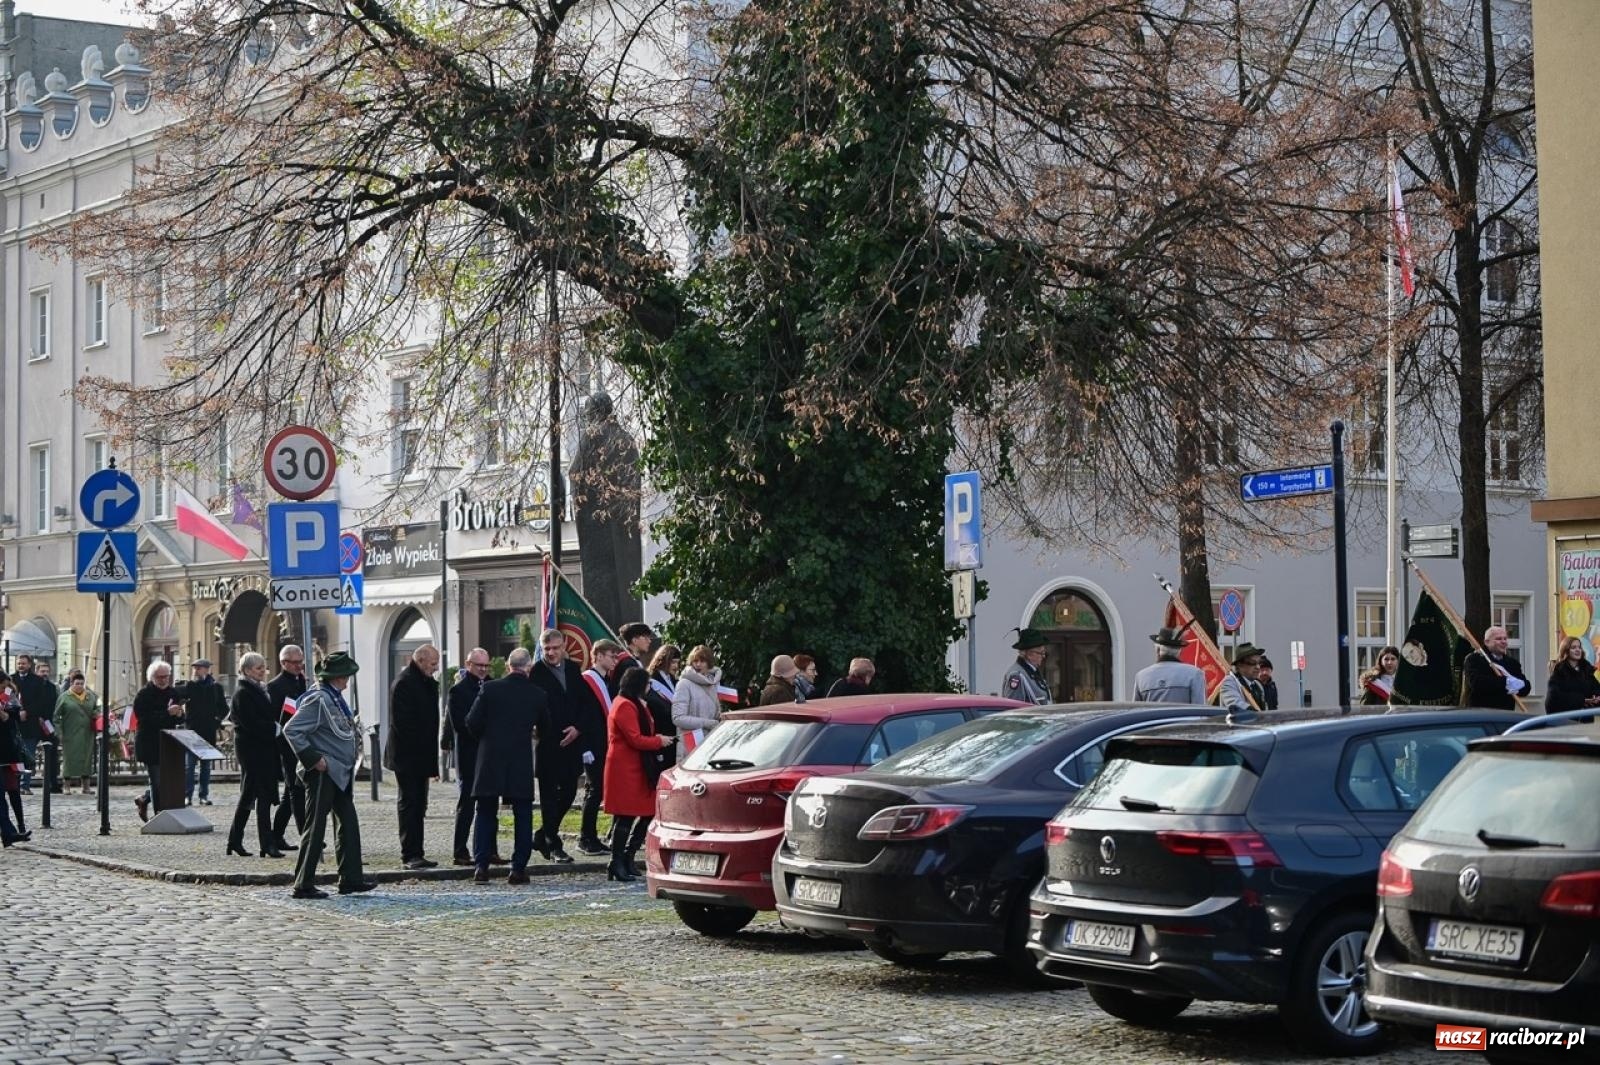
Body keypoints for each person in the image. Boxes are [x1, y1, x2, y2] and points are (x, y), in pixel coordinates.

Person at [284, 652, 375, 900]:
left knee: (348, 824)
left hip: (339, 772)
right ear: (338, 677)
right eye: (346, 675)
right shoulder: (319, 699)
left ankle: (351, 879)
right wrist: (314, 759)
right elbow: (292, 729)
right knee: (315, 827)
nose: (348, 680)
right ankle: (303, 884)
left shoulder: (333, 697)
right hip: (323, 772)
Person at [466, 647, 546, 885]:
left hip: (490, 757)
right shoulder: (537, 694)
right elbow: (547, 727)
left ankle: (481, 867)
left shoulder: (490, 689)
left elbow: (471, 722)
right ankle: (518, 869)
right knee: (523, 814)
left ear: (509, 666)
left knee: (485, 812)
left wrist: (486, 738)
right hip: (519, 759)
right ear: (528, 668)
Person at [529, 629, 606, 863]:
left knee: (570, 792)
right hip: (549, 744)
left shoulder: (572, 669)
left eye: (555, 648)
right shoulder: (537, 672)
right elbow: (536, 709)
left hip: (572, 743)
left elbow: (586, 704)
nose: (551, 653)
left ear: (563, 647)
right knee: (549, 797)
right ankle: (554, 844)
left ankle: (542, 835)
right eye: (547, 649)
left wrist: (577, 728)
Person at [603, 667, 672, 881]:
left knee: (647, 811)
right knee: (625, 815)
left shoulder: (634, 703)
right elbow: (635, 739)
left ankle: (628, 856)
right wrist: (658, 741)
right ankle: (616, 861)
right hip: (625, 767)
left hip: (637, 766)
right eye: (647, 683)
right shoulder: (625, 705)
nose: (649, 687)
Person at [384, 644, 441, 870]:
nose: (436, 668)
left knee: (419, 804)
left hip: (421, 755)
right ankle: (409, 854)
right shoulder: (405, 683)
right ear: (421, 660)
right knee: (409, 803)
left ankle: (417, 852)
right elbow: (403, 724)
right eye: (433, 663)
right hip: (407, 756)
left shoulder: (424, 681)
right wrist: (422, 755)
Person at [226, 652, 283, 858]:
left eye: (263, 667)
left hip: (262, 748)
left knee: (251, 794)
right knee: (261, 795)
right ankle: (266, 844)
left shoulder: (258, 689)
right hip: (252, 750)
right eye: (259, 668)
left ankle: (235, 840)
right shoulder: (243, 692)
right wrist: (273, 728)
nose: (263, 671)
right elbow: (250, 722)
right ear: (247, 670)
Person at [448, 647, 501, 867]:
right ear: (468, 664)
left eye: (486, 665)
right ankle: (460, 851)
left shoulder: (493, 686)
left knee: (490, 805)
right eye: (479, 665)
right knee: (467, 805)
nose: (483, 669)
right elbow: (460, 725)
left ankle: (490, 850)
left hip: (490, 755)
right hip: (470, 754)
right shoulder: (458, 691)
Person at [577, 639, 621, 856]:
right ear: (599, 655)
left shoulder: (607, 681)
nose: (615, 660)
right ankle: (585, 838)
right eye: (612, 656)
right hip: (592, 745)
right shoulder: (587, 680)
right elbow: (582, 715)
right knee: (593, 791)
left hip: (604, 743)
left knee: (599, 791)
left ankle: (592, 837)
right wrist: (584, 747)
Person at [132, 661, 185, 822]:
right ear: (152, 677)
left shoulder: (173, 693)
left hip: (168, 742)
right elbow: (144, 719)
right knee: (156, 780)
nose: (163, 680)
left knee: (166, 781)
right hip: (150, 743)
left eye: (166, 676)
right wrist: (167, 713)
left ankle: (144, 799)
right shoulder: (143, 695)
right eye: (160, 677)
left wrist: (179, 715)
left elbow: (179, 718)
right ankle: (159, 816)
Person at [268, 645, 310, 851]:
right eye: (294, 662)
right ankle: (307, 836)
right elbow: (275, 717)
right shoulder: (275, 686)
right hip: (286, 744)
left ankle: (276, 836)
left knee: (290, 793)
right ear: (283, 663)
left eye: (300, 662)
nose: (298, 666)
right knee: (296, 790)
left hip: (302, 740)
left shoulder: (302, 681)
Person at [183, 659, 228, 806]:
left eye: (199, 668)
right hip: (192, 731)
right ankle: (187, 795)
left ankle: (203, 795)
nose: (195, 671)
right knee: (189, 766)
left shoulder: (216, 688)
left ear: (207, 670)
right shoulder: (189, 686)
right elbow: (179, 701)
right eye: (194, 668)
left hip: (208, 730)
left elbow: (224, 708)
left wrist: (216, 721)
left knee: (205, 766)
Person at [672, 645, 725, 760]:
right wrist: (708, 723)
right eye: (695, 661)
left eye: (702, 661)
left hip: (711, 743)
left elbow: (715, 715)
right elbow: (678, 718)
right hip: (691, 745)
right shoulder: (684, 684)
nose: (698, 664)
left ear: (709, 663)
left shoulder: (712, 683)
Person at [1133, 628, 1208, 704]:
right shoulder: (1195, 674)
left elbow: (1136, 710)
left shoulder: (1141, 676)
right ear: (1179, 651)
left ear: (1158, 650)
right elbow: (1199, 708)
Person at [1463, 626, 1529, 711]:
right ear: (1487, 642)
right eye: (1498, 639)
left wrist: (1522, 685)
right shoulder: (1474, 659)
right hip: (1481, 712)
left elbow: (1525, 689)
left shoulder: (1512, 663)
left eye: (1505, 639)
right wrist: (1505, 682)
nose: (1503, 642)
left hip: (1506, 713)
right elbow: (1476, 683)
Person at [54, 671, 97, 793]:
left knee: (87, 759)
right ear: (71, 683)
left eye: (82, 684)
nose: (79, 686)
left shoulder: (90, 696)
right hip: (70, 733)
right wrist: (59, 732)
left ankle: (86, 786)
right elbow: (56, 716)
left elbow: (96, 709)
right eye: (77, 683)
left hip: (87, 733)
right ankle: (66, 786)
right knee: (69, 759)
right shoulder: (64, 697)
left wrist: (97, 714)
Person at [0, 677, 29, 842]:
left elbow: (16, 718)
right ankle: (8, 833)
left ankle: (18, 828)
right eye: (3, 686)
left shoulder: (9, 696)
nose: (5, 688)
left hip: (10, 750)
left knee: (13, 790)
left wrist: (7, 714)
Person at [645, 644, 680, 771]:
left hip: (675, 736)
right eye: (673, 662)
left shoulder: (674, 681)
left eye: (677, 663)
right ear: (663, 660)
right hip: (662, 736)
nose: (676, 666)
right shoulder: (651, 682)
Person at [1545, 635, 1600, 716]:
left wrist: (1597, 698)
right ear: (1566, 650)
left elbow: (1596, 689)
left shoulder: (1586, 670)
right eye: (1573, 647)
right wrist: (1582, 700)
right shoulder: (1559, 671)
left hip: (1586, 719)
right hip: (1565, 719)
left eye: (1579, 647)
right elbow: (1552, 699)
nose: (1578, 650)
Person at [1002, 631, 1051, 705]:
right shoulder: (1017, 675)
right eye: (1041, 653)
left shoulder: (1033, 672)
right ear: (1029, 654)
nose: (1043, 656)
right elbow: (1014, 707)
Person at [1216, 644, 1267, 713]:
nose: (1258, 667)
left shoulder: (1258, 685)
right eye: (1252, 663)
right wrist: (1253, 711)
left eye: (1259, 663)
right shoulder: (1229, 682)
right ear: (1240, 665)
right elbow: (1235, 705)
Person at [611, 622, 655, 690]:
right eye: (645, 637)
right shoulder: (628, 664)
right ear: (634, 640)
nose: (649, 641)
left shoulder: (631, 660)